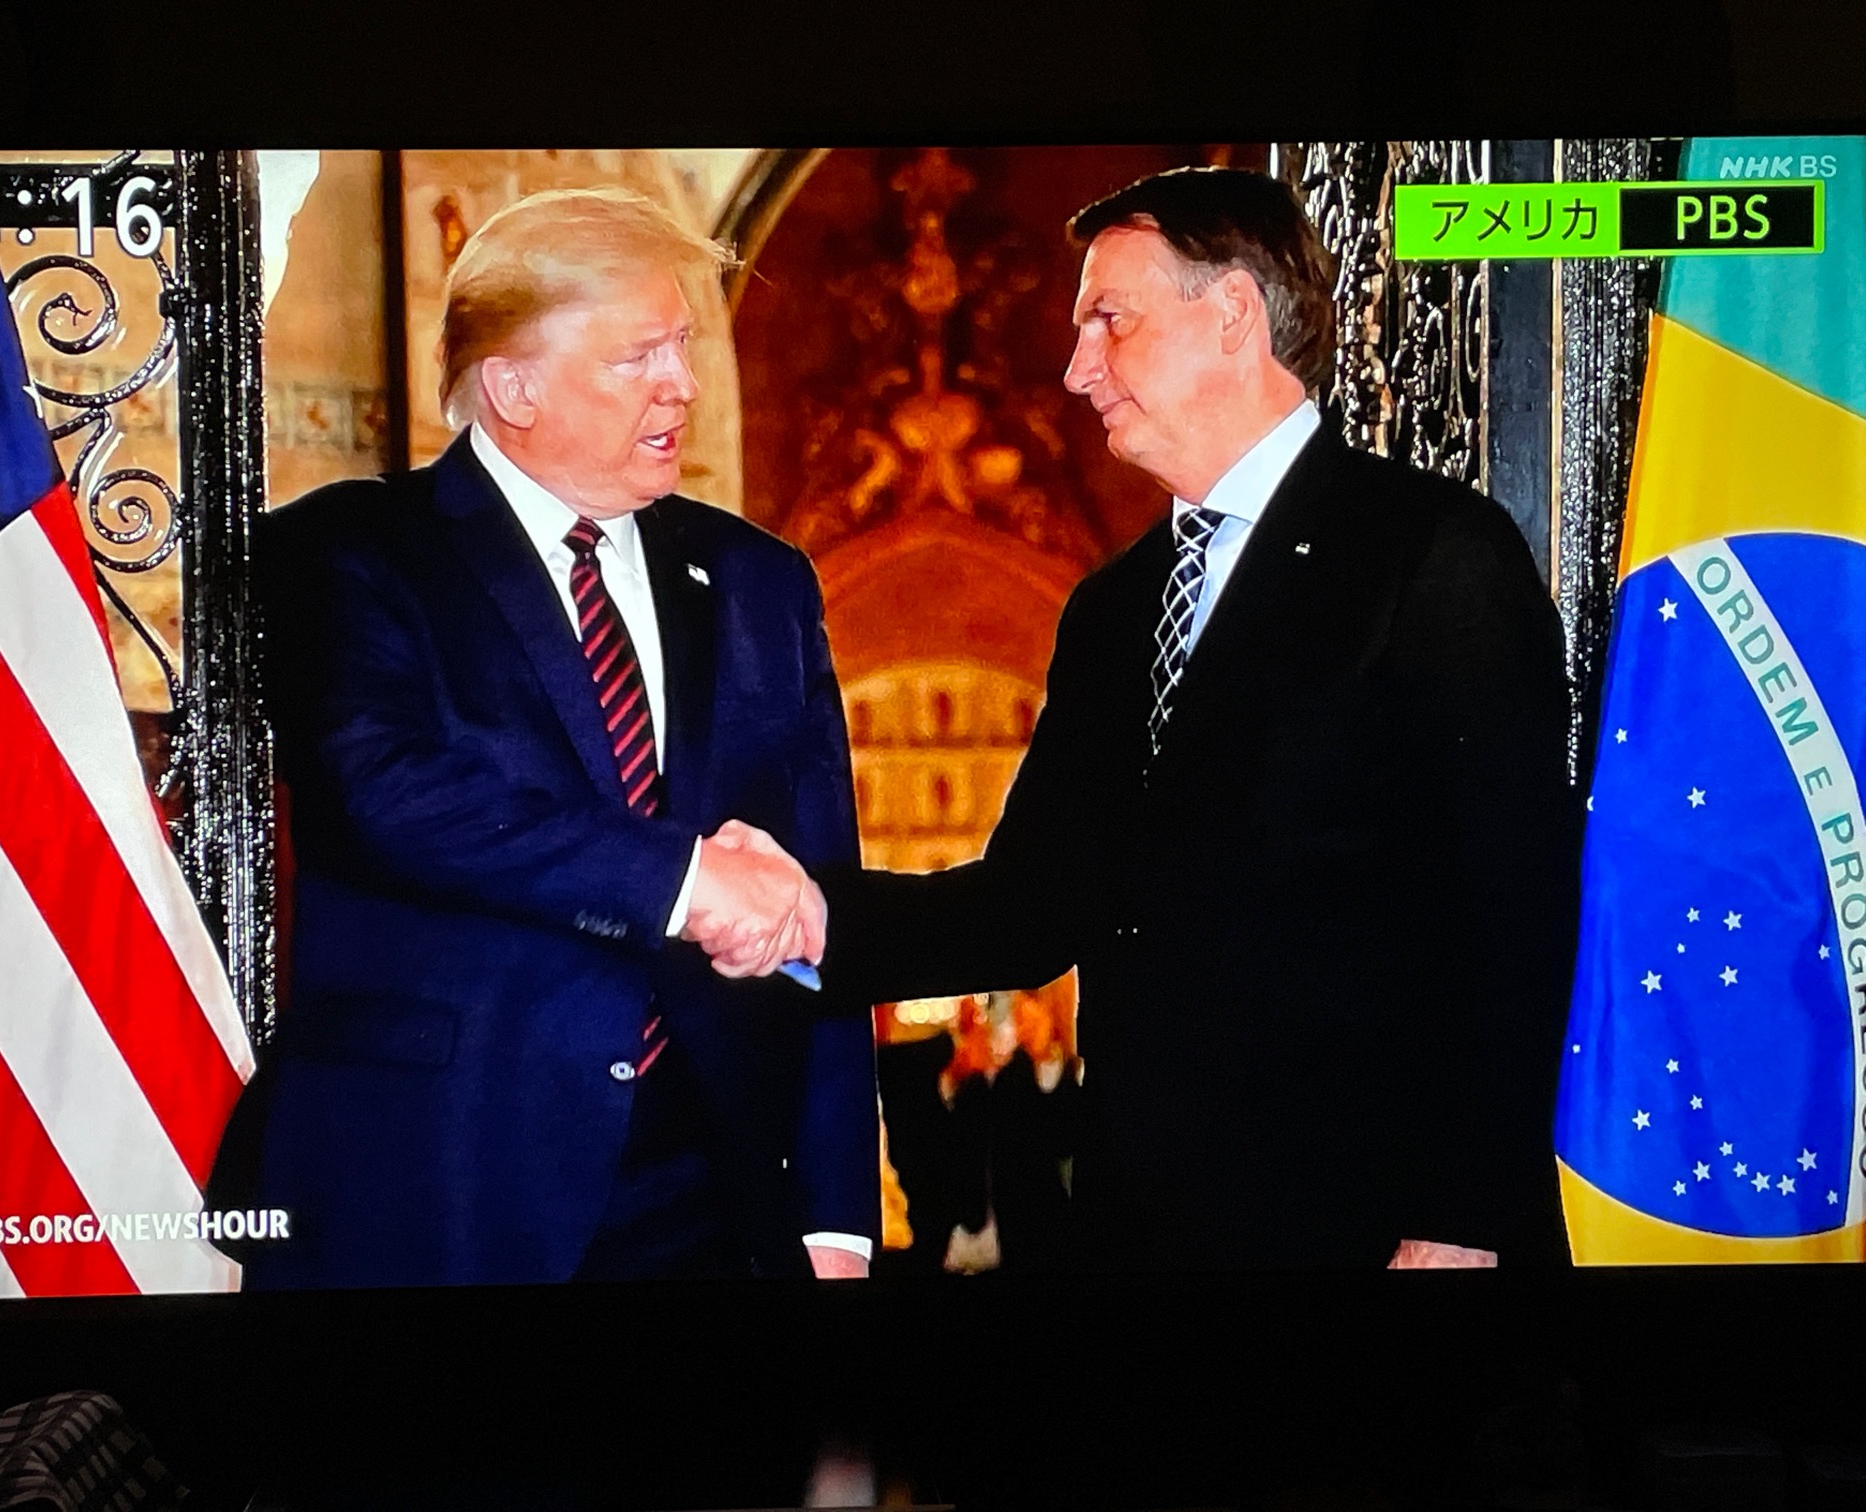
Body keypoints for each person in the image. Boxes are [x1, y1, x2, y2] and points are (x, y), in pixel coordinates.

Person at [800, 167, 1580, 1271]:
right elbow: (1031, 909)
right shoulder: (1114, 608)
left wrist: (1459, 1221)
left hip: (1373, 1234)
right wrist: (801, 919)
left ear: (1232, 315)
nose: (1077, 370)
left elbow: (1515, 915)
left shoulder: (1432, 553)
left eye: (1109, 322)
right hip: (1146, 1233)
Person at [235, 187, 878, 1288]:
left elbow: (816, 898)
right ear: (513, 386)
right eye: (637, 357)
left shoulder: (761, 582)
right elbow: (386, 794)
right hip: (438, 1191)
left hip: (716, 1209)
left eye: (682, 346)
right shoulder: (346, 555)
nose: (681, 384)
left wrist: (836, 1216)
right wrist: (683, 881)